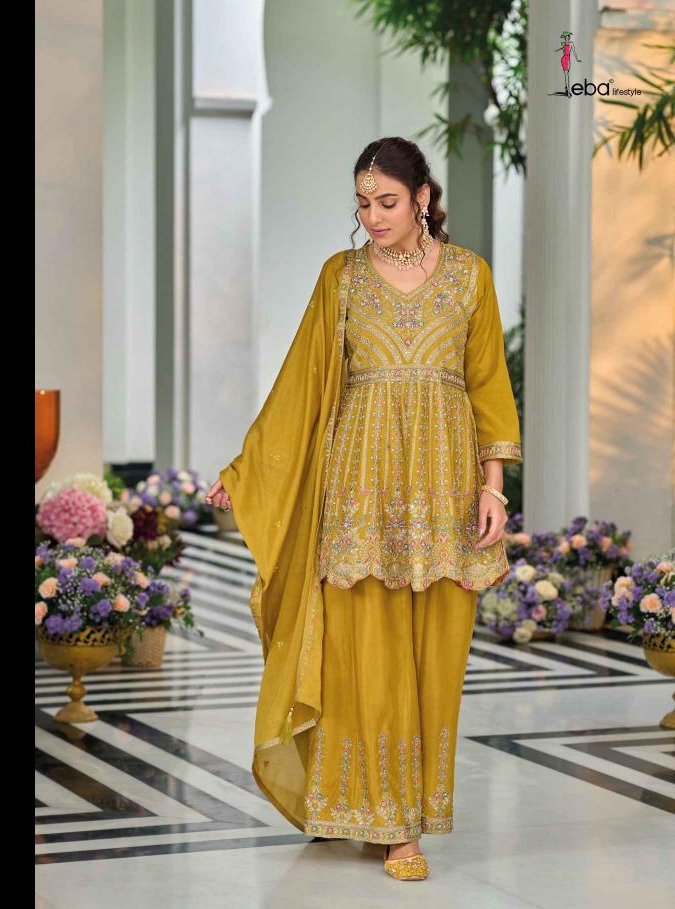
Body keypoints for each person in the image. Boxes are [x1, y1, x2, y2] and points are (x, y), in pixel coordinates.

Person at [205, 137, 521, 880]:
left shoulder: (469, 276)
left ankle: (404, 808)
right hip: (358, 489)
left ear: (421, 198)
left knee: (435, 653)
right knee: (362, 653)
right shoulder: (340, 277)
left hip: (443, 491)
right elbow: (300, 383)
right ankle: (384, 821)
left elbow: (488, 385)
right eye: (362, 203)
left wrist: (493, 486)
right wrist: (248, 470)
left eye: (386, 202)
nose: (372, 216)